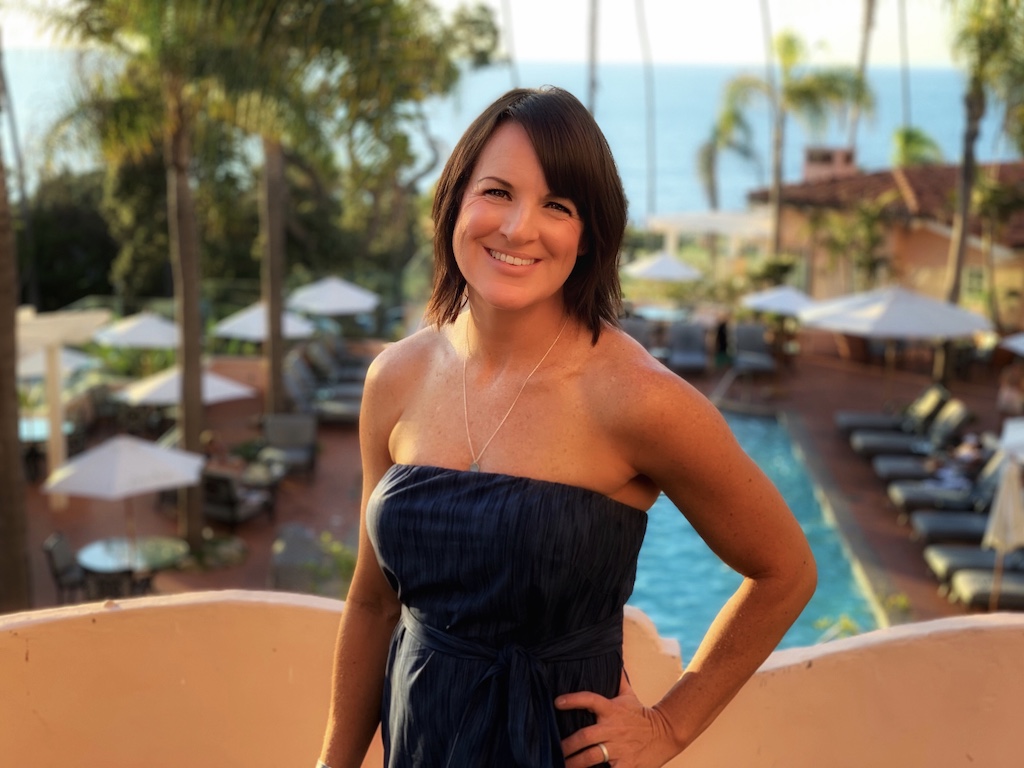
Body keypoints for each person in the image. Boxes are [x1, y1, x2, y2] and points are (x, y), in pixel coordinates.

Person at [317, 87, 816, 768]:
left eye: (558, 206)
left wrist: (669, 728)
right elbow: (374, 602)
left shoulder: (639, 398)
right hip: (423, 745)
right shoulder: (396, 378)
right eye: (497, 191)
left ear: (587, 237)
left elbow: (785, 569)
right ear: (455, 199)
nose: (520, 228)